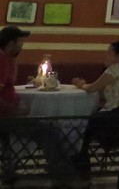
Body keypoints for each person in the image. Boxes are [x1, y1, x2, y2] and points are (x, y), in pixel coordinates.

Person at [0, 26, 84, 187]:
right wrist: (15, 111)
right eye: (20, 42)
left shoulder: (6, 59)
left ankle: (9, 170)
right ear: (11, 43)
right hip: (5, 118)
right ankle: (63, 179)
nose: (22, 46)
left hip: (7, 115)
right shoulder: (1, 61)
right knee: (49, 131)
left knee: (47, 127)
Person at [72, 41, 119, 179]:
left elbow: (92, 89)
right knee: (86, 124)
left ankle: (81, 167)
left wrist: (80, 84)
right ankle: (80, 164)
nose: (106, 56)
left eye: (109, 53)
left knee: (84, 124)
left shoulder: (115, 69)